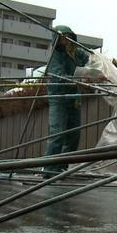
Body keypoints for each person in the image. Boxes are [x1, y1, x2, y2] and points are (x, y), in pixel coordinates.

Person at [44, 25, 90, 174]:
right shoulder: (55, 57)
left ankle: (62, 167)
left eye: (69, 37)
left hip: (74, 97)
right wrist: (79, 78)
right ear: (57, 39)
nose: (67, 40)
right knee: (58, 134)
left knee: (74, 135)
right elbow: (59, 76)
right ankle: (50, 168)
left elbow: (89, 59)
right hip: (59, 98)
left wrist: (96, 70)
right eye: (64, 37)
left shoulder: (75, 52)